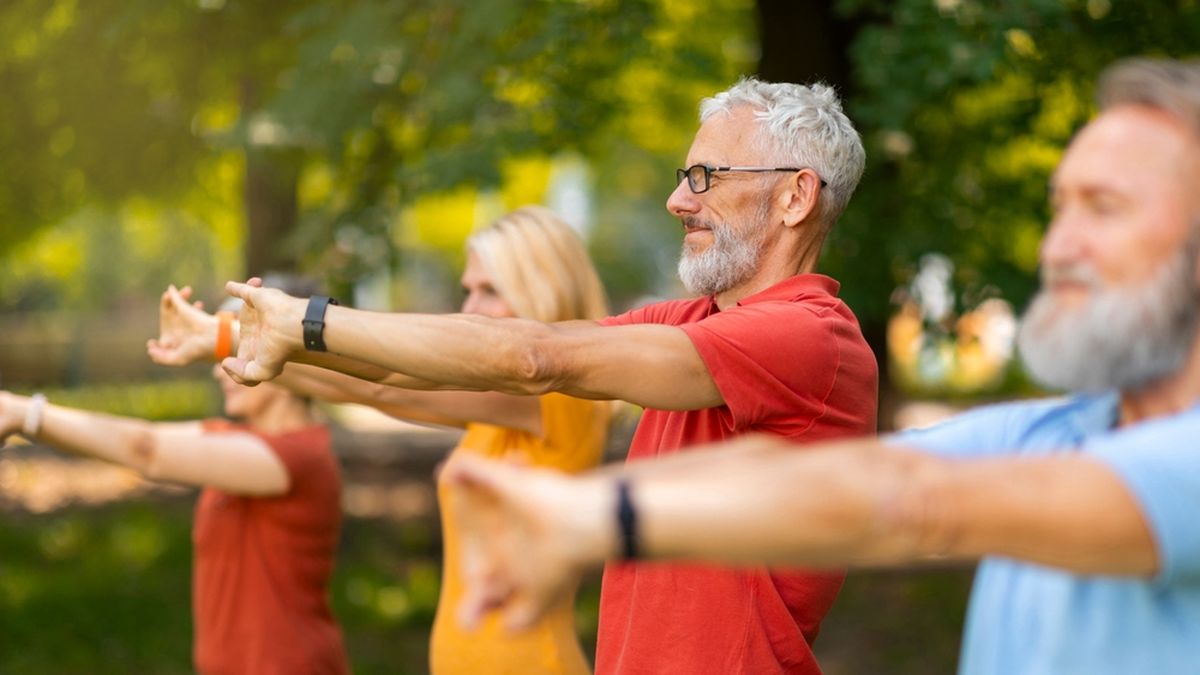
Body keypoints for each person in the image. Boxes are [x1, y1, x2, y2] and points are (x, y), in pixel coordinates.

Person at [442, 57, 1200, 675]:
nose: (1055, 246)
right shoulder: (1059, 431)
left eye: (1104, 207)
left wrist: (595, 517)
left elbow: (913, 501)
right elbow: (840, 478)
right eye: (1060, 207)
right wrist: (589, 512)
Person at [217, 80, 878, 673]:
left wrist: (310, 323)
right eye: (685, 176)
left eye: (705, 176)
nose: (677, 199)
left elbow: (537, 356)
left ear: (795, 196)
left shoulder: (810, 336)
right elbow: (427, 368)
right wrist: (259, 334)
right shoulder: (695, 319)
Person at [150, 207, 612, 675]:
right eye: (468, 290)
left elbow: (384, 387)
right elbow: (367, 386)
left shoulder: (553, 398)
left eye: (491, 291)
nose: (472, 308)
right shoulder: (501, 414)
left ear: (544, 292)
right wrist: (225, 340)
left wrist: (229, 336)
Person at [0, 279, 349, 675]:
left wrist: (22, 413)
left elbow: (146, 450)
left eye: (239, 347)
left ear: (289, 354)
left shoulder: (299, 456)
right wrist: (23, 418)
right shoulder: (236, 438)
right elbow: (136, 440)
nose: (220, 372)